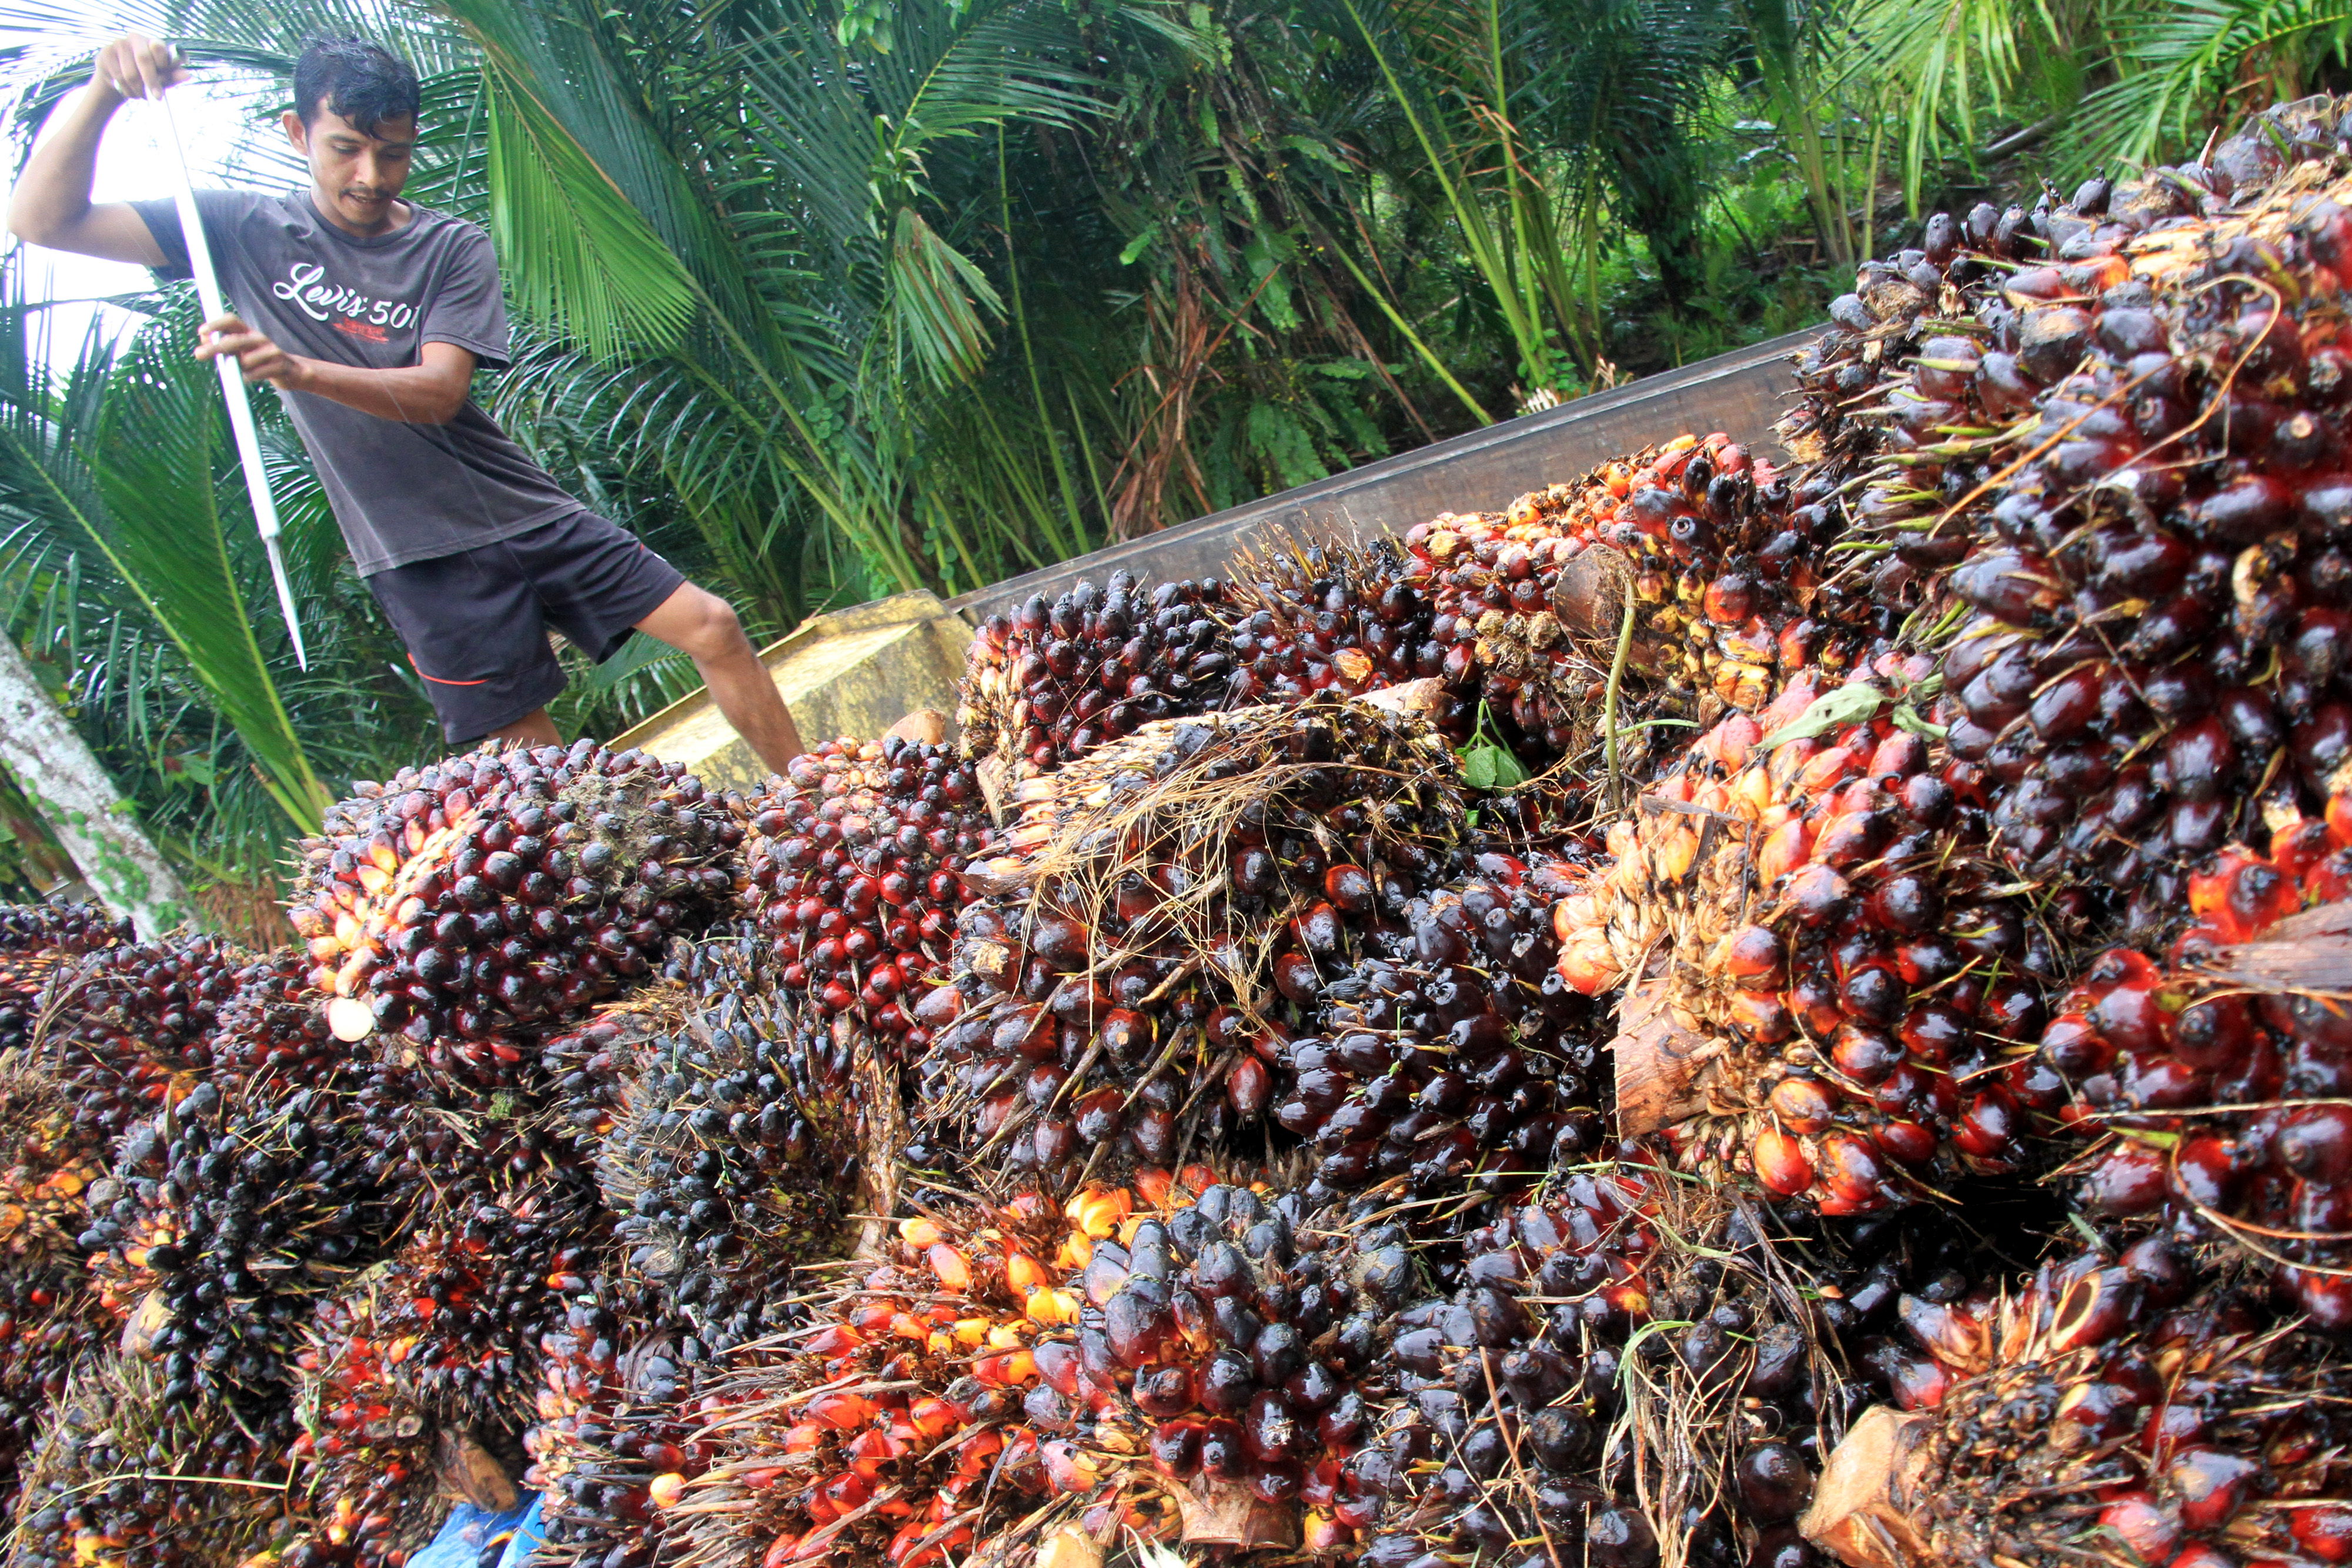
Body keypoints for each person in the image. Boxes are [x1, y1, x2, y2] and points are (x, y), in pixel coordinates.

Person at [7, 33, 806, 769]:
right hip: (417, 553)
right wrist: (103, 93)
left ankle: (806, 805)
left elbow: (438, 392)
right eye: (345, 150)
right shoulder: (238, 228)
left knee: (715, 627)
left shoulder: (449, 246)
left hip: (521, 508)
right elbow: (41, 221)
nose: (369, 176)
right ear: (296, 133)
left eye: (392, 154)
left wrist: (297, 368)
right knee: (539, 768)